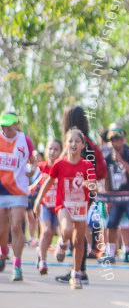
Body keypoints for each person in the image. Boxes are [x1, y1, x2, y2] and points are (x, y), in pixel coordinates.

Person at [34, 129, 99, 289]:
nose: (73, 144)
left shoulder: (87, 165)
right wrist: (38, 201)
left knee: (78, 241)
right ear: (66, 144)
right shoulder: (60, 164)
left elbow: (94, 188)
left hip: (81, 207)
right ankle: (62, 242)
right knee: (67, 229)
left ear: (83, 145)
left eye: (77, 141)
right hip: (63, 205)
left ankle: (76, 274)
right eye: (70, 141)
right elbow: (48, 182)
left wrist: (92, 187)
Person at [100, 124, 129, 266]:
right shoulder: (106, 156)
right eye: (113, 140)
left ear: (123, 139)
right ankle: (111, 253)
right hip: (115, 196)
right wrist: (107, 199)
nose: (115, 142)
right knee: (111, 224)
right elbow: (106, 178)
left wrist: (121, 161)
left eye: (118, 139)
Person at [0, 111, 33, 281]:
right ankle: (3, 251)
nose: (6, 128)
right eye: (3, 125)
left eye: (9, 125)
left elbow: (33, 161)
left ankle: (17, 264)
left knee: (15, 226)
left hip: (18, 190)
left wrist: (31, 171)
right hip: (0, 191)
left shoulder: (24, 140)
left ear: (16, 124)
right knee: (2, 229)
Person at [32, 139, 63, 275]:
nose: (52, 152)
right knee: (46, 231)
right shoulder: (42, 166)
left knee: (52, 233)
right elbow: (43, 178)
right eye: (50, 149)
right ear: (45, 151)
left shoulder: (62, 167)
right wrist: (34, 186)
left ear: (60, 152)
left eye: (56, 149)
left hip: (57, 205)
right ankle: (43, 261)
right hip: (44, 204)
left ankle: (46, 249)